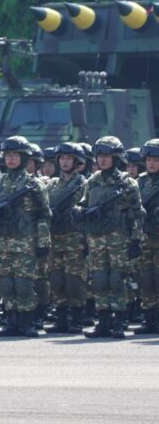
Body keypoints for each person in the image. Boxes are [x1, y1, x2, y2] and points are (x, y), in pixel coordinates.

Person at [0, 136, 51, 337]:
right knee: (6, 282)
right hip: (1, 239)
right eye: (7, 155)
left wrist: (43, 241)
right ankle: (11, 320)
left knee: (24, 283)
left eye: (15, 155)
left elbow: (44, 215)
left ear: (24, 158)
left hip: (25, 240)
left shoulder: (33, 184)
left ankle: (27, 321)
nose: (10, 159)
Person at [74, 136, 143, 339]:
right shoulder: (93, 181)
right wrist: (78, 212)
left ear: (116, 157)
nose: (101, 160)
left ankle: (119, 322)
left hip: (118, 239)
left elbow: (137, 214)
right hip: (96, 239)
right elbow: (83, 203)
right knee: (99, 280)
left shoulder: (127, 183)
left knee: (117, 280)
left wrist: (136, 240)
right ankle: (103, 321)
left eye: (106, 156)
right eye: (99, 156)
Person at [44, 143, 88, 334]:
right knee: (57, 280)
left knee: (74, 280)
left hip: (74, 239)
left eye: (69, 159)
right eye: (62, 158)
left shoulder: (85, 184)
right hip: (55, 238)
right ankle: (61, 318)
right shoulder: (51, 184)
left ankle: (78, 318)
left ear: (77, 162)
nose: (64, 162)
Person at [135, 139, 159, 334]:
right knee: (146, 280)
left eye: (156, 160)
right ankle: (149, 319)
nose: (151, 163)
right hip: (145, 238)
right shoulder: (139, 182)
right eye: (149, 159)